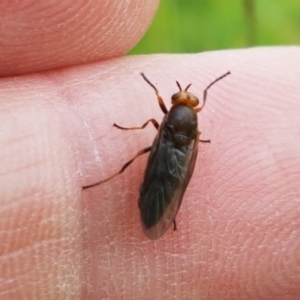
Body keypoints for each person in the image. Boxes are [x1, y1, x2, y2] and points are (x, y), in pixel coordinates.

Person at [0, 1, 299, 299]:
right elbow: (188, 155)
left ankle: (128, 187)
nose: (186, 97)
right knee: (176, 179)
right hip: (178, 150)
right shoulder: (191, 122)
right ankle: (167, 208)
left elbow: (162, 128)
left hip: (167, 145)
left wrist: (151, 113)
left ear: (175, 105)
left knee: (149, 162)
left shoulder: (172, 116)